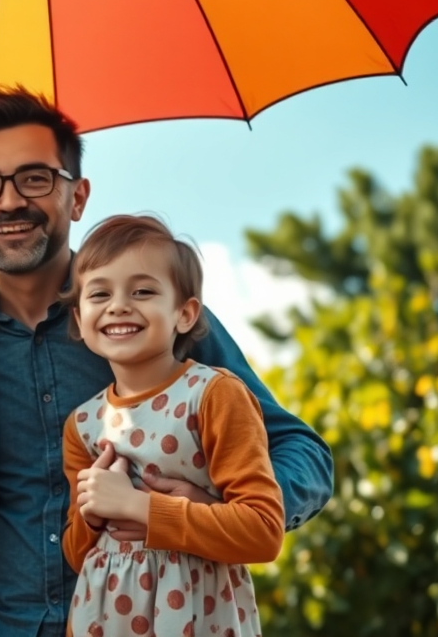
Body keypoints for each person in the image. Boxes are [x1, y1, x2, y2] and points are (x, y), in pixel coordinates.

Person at [0, 87, 333, 637]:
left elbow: (302, 453)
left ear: (77, 197)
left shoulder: (158, 315)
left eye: (34, 178)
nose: (9, 202)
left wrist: (211, 508)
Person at [61, 215, 284, 637]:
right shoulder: (82, 425)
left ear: (185, 314)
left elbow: (264, 532)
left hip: (200, 619)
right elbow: (78, 555)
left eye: (143, 291)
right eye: (100, 293)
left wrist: (139, 507)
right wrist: (92, 514)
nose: (119, 305)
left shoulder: (214, 395)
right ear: (78, 319)